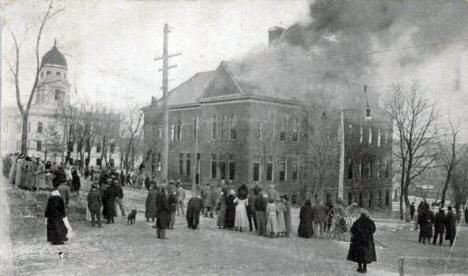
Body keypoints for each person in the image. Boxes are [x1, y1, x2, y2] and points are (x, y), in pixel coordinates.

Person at [347, 209, 377, 273]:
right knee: (366, 255)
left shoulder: (357, 222)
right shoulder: (370, 222)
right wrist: (368, 233)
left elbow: (352, 230)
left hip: (358, 241)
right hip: (367, 241)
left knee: (359, 255)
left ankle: (359, 268)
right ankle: (365, 268)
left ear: (360, 214)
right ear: (366, 214)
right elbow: (373, 230)